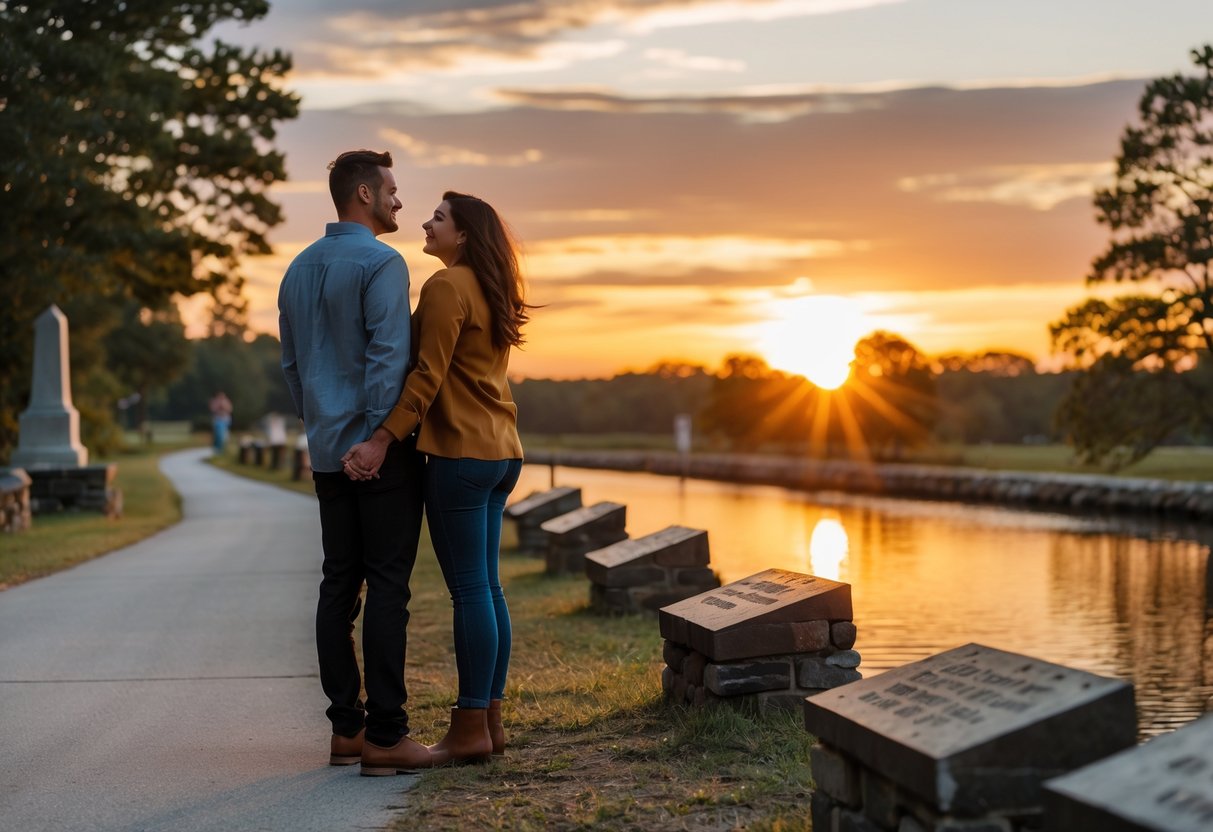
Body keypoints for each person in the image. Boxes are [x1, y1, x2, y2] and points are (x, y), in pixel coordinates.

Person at [343, 191, 532, 766]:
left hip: (459, 456)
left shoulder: (447, 286)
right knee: (488, 588)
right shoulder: (490, 288)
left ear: (465, 234)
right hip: (501, 453)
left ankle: (471, 726)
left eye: (439, 218)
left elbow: (427, 375)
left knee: (470, 591)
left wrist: (382, 437)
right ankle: (490, 723)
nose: (426, 223)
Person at [278, 149, 430, 775]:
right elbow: (388, 359)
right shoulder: (381, 262)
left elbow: (292, 368)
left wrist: (323, 430)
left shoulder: (296, 269)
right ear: (363, 193)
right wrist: (375, 441)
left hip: (325, 452)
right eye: (392, 190)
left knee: (339, 581)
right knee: (388, 585)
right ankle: (387, 737)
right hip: (378, 452)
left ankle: (347, 729)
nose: (400, 201)